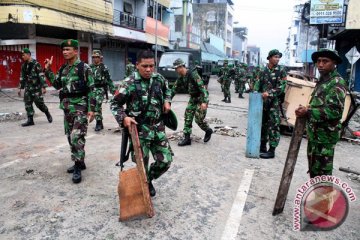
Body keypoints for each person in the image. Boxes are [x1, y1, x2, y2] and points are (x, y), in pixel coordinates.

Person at [110, 50, 173, 197]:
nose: (149, 69)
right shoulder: (129, 83)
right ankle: (144, 184)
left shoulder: (159, 79)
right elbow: (114, 104)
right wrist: (124, 118)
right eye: (145, 66)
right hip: (140, 131)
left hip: (158, 127)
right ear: (137, 65)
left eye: (151, 66)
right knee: (141, 164)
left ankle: (148, 179)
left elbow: (168, 90)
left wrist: (167, 100)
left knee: (165, 161)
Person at [44, 39, 96, 184]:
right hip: (67, 107)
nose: (65, 52)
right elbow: (56, 84)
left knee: (76, 136)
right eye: (64, 50)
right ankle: (81, 161)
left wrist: (93, 109)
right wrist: (48, 70)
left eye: (68, 49)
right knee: (69, 136)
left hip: (80, 106)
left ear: (75, 51)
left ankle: (78, 167)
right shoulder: (63, 69)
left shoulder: (84, 68)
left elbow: (92, 89)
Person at [295, 49, 347, 177]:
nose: (320, 64)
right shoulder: (323, 81)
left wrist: (308, 111)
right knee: (314, 171)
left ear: (334, 63)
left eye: (325, 61)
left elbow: (334, 112)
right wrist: (307, 109)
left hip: (325, 138)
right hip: (315, 136)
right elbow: (318, 105)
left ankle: (324, 197)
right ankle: (317, 196)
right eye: (318, 61)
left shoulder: (336, 82)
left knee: (323, 174)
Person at [171, 58, 213, 146]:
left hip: (201, 98)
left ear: (181, 67)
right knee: (188, 116)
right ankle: (187, 138)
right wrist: (167, 100)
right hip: (193, 98)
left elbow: (203, 89)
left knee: (198, 119)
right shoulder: (181, 78)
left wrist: (204, 102)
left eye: (176, 68)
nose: (175, 70)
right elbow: (173, 90)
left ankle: (208, 130)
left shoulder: (193, 74)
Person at [254, 49, 287, 159]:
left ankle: (271, 150)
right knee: (262, 125)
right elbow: (257, 83)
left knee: (274, 126)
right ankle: (262, 146)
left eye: (278, 57)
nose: (277, 59)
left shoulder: (281, 70)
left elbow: (282, 87)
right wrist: (255, 93)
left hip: (274, 103)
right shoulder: (262, 70)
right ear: (269, 58)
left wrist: (269, 93)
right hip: (262, 103)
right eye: (275, 57)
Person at [18, 48, 52, 126]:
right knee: (27, 103)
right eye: (22, 55)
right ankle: (30, 120)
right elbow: (22, 77)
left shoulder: (36, 64)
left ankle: (47, 112)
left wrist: (44, 87)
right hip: (28, 88)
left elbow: (41, 75)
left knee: (39, 104)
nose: (22, 57)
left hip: (36, 88)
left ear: (28, 55)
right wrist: (20, 88)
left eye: (23, 55)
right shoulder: (24, 65)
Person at [90, 50, 116, 131]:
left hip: (100, 89)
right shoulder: (90, 67)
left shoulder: (104, 67)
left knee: (97, 105)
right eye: (93, 57)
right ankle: (100, 122)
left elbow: (109, 79)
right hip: (92, 89)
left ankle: (98, 123)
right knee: (92, 106)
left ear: (100, 58)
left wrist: (113, 91)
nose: (95, 59)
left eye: (97, 57)